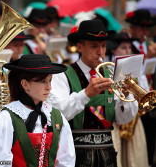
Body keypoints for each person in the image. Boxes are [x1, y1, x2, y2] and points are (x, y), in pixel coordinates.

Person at [47, 19, 138, 167]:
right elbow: (58, 114)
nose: (100, 52)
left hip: (107, 151)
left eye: (103, 46)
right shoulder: (62, 75)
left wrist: (126, 97)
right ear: (80, 46)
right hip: (74, 153)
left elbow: (123, 119)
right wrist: (86, 94)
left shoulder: (111, 73)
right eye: (94, 46)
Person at [0, 54, 75, 166]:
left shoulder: (56, 117)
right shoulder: (6, 119)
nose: (49, 87)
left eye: (50, 80)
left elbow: (66, 160)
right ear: (25, 84)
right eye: (43, 81)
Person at [106, 31, 149, 167]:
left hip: (134, 120)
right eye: (123, 48)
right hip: (116, 121)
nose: (128, 50)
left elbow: (145, 91)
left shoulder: (136, 68)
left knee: (135, 157)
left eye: (129, 47)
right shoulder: (108, 68)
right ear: (113, 50)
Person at [126, 9, 156, 166]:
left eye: (147, 29)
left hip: (150, 95)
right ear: (133, 28)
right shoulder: (127, 45)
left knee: (151, 134)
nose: (145, 32)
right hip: (135, 98)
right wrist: (148, 59)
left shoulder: (148, 45)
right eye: (141, 28)